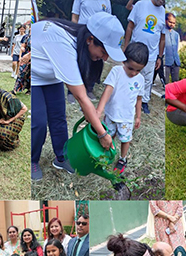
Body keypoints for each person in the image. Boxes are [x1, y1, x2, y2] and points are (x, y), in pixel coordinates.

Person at [30, 12, 123, 180]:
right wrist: (103, 134)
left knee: (58, 117)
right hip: (35, 76)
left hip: (52, 76)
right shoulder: (62, 44)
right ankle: (32, 160)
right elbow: (82, 98)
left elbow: (83, 101)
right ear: (90, 39)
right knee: (38, 123)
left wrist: (94, 119)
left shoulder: (79, 42)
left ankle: (62, 156)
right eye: (103, 51)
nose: (105, 57)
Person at [96, 42, 150, 179]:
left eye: (138, 70)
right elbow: (108, 90)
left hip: (126, 117)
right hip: (111, 114)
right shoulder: (117, 71)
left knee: (126, 139)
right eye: (130, 68)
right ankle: (106, 155)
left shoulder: (141, 79)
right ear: (124, 60)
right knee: (109, 136)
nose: (133, 73)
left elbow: (139, 99)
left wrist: (138, 117)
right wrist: (99, 110)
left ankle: (122, 158)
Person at [123, 0, 167, 114]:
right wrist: (126, 46)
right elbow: (130, 27)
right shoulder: (140, 4)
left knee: (147, 80)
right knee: (130, 75)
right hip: (135, 51)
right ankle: (127, 98)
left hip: (152, 54)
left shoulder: (163, 12)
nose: (162, 1)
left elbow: (162, 38)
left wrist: (160, 57)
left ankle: (144, 102)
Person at [70, 0, 112, 93]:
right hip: (83, 35)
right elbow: (75, 16)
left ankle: (89, 89)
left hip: (98, 38)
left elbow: (108, 20)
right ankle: (72, 91)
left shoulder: (106, 1)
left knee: (95, 61)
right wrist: (76, 33)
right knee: (79, 61)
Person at [161, 13, 182, 85]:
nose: (172, 24)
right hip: (165, 62)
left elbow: (176, 48)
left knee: (176, 83)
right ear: (166, 20)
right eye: (170, 22)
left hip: (175, 61)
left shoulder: (176, 34)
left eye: (174, 23)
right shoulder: (162, 32)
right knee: (166, 83)